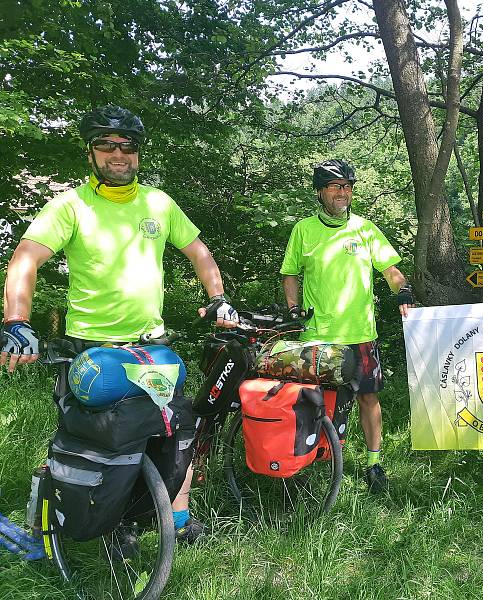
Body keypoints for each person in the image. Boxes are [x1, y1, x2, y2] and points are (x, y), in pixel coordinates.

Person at [0, 105, 239, 543]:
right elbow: (26, 259)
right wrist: (17, 320)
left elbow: (199, 251)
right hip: (91, 347)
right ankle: (81, 520)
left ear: (138, 154)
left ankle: (178, 521)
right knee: (96, 439)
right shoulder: (71, 206)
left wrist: (219, 297)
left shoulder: (158, 203)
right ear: (90, 153)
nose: (117, 153)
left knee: (175, 428)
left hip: (151, 345)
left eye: (126, 146)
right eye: (105, 144)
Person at [280, 159, 414, 493]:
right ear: (320, 192)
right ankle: (312, 462)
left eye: (348, 187)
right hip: (318, 335)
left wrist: (404, 291)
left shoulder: (365, 228)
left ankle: (373, 462)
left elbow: (390, 270)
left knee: (369, 398)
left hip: (360, 334)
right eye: (336, 187)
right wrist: (294, 308)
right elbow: (290, 273)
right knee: (315, 402)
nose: (344, 193)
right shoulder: (303, 230)